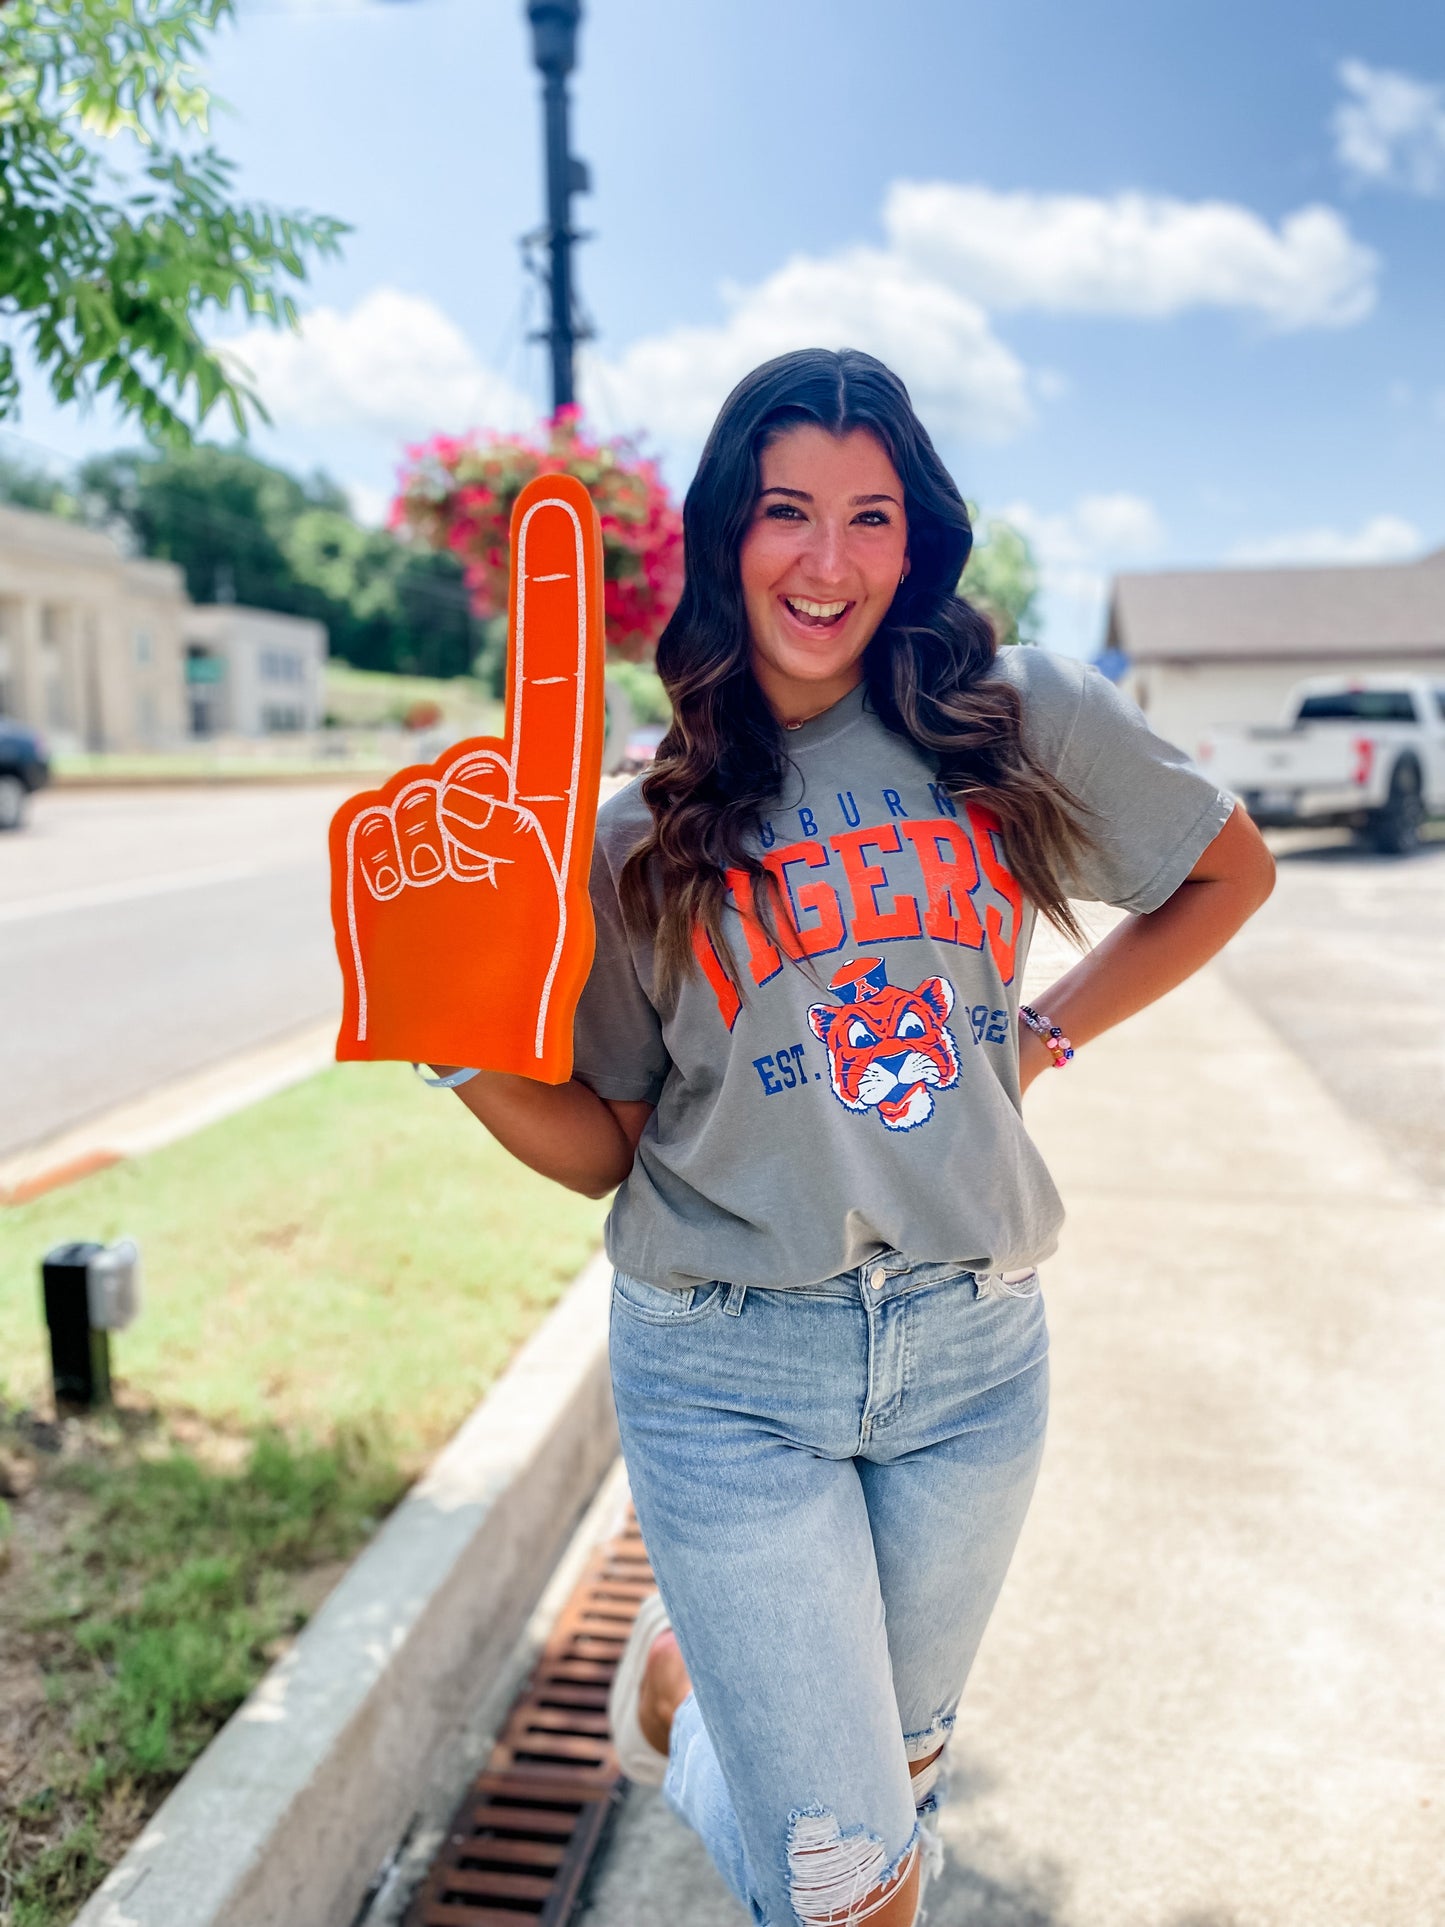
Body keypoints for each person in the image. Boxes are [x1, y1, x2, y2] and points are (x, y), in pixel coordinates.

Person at [433, 348, 1276, 1927]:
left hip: (973, 1363)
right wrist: (450, 1051)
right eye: (785, 513)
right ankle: (720, 1716)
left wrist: (1043, 1031)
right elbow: (611, 1141)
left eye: (870, 517)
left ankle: (690, 1704)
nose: (827, 562)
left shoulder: (1018, 718)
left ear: (916, 540)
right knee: (847, 1884)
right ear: (724, 532)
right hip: (727, 1367)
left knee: (893, 1792)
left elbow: (1224, 877)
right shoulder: (639, 829)